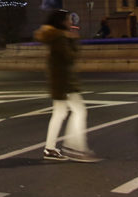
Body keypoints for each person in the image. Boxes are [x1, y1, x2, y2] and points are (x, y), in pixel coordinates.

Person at [34, 9, 100, 162]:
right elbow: (70, 57)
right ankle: (75, 147)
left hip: (60, 81)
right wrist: (73, 40)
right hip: (65, 83)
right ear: (62, 21)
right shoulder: (60, 38)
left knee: (59, 114)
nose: (71, 22)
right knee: (79, 111)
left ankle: (50, 148)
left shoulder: (56, 37)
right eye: (69, 19)